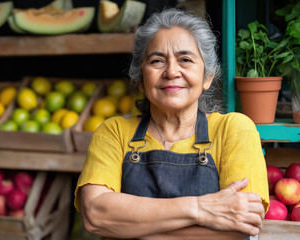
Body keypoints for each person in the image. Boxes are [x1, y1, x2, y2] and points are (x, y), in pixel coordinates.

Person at [74, 8, 269, 240]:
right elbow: (96, 215)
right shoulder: (113, 132)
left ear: (207, 77)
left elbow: (241, 225)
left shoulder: (234, 130)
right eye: (157, 61)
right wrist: (200, 209)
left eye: (185, 60)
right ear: (140, 80)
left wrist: (132, 227)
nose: (171, 71)